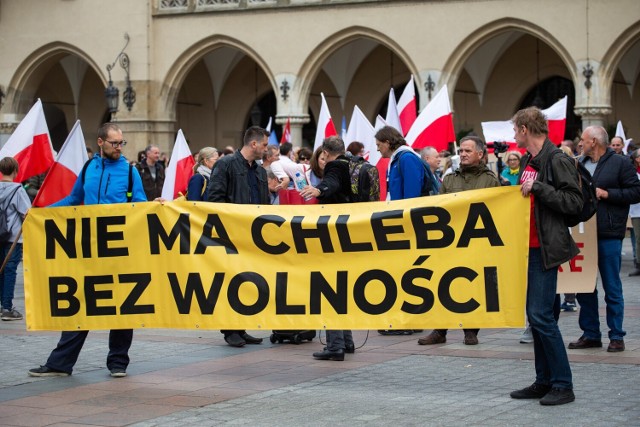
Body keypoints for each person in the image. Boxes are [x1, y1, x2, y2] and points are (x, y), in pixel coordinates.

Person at [28, 123, 147, 378]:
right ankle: (60, 364)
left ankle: (118, 363)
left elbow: (141, 206)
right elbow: (73, 200)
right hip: (89, 250)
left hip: (119, 251)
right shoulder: (88, 168)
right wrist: (41, 214)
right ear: (101, 142)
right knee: (80, 304)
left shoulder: (129, 172)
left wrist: (157, 207)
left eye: (121, 143)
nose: (119, 147)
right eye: (114, 143)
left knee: (122, 306)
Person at [508, 107, 582, 406]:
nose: (514, 135)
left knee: (540, 316)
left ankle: (563, 384)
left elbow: (574, 202)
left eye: (516, 129)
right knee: (540, 316)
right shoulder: (529, 159)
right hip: (528, 249)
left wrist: (538, 187)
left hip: (545, 249)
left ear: (525, 129)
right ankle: (544, 380)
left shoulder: (557, 158)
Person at [417, 135, 500, 346]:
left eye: (468, 151)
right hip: (450, 241)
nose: (462, 154)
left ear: (480, 154)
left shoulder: (490, 179)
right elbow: (440, 208)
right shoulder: (450, 178)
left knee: (472, 285)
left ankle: (470, 330)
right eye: (461, 151)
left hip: (476, 242)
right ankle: (440, 330)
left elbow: (497, 210)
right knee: (444, 283)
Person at [569, 126, 640, 353]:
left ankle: (616, 336)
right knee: (584, 288)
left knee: (612, 287)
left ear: (595, 142)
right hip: (583, 233)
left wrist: (607, 194)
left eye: (584, 140)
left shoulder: (620, 163)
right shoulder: (579, 164)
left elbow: (635, 192)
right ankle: (591, 334)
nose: (580, 144)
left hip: (609, 233)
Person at [207, 126, 269, 348]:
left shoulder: (260, 172)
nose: (266, 149)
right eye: (264, 144)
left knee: (247, 281)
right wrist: (236, 219)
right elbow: (213, 199)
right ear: (253, 144)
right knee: (230, 281)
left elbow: (264, 204)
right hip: (231, 234)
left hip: (253, 237)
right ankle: (230, 329)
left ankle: (241, 327)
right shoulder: (226, 165)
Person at [300, 136, 356, 361]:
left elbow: (331, 183)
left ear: (326, 151)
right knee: (343, 289)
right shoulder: (355, 163)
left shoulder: (334, 166)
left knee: (330, 288)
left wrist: (319, 190)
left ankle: (335, 346)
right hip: (351, 232)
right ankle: (347, 340)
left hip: (333, 235)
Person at [375, 126, 429, 336]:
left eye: (379, 145)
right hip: (401, 223)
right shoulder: (400, 158)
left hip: (407, 225)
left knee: (408, 273)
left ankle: (409, 320)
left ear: (388, 142)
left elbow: (412, 196)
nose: (378, 149)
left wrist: (404, 224)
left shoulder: (406, 158)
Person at [0, 157, 31, 321]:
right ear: (15, 171)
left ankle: (1, 305)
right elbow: (27, 213)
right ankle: (7, 308)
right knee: (10, 270)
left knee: (1, 269)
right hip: (13, 238)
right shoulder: (17, 190)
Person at [629, 149, 640, 277]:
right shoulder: (633, 173)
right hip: (637, 211)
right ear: (637, 159)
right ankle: (639, 264)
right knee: (638, 238)